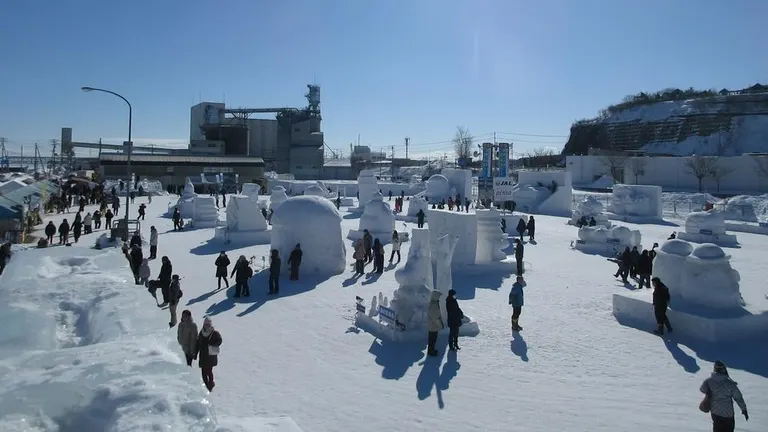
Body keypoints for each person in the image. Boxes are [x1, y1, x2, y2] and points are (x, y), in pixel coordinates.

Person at [700, 361, 748, 432]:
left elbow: (702, 389)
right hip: (728, 414)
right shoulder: (730, 383)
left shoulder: (708, 381)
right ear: (724, 370)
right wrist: (744, 409)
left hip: (715, 412)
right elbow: (738, 398)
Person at [196, 316, 223, 392]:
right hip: (203, 355)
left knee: (208, 371)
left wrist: (212, 344)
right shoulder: (201, 333)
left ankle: (210, 385)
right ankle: (208, 386)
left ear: (210, 325)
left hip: (210, 356)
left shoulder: (215, 333)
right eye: (205, 324)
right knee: (203, 373)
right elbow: (198, 343)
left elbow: (220, 341)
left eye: (208, 324)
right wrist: (195, 353)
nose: (207, 325)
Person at [426, 290, 444, 357]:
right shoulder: (434, 304)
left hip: (432, 325)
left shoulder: (433, 302)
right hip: (434, 325)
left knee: (432, 339)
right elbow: (435, 317)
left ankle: (431, 350)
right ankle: (431, 351)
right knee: (432, 339)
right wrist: (440, 325)